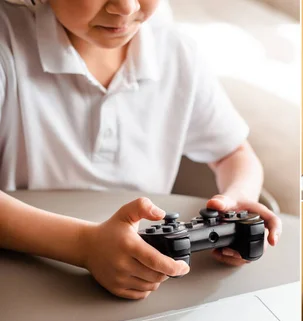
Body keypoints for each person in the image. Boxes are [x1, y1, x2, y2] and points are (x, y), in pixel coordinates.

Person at [0, 0, 281, 299]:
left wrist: (239, 197)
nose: (125, 7)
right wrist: (84, 245)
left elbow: (233, 153)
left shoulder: (176, 53)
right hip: (25, 271)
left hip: (149, 275)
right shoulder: (8, 44)